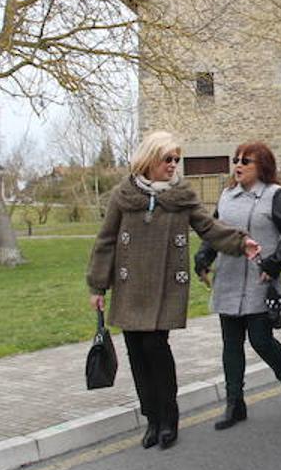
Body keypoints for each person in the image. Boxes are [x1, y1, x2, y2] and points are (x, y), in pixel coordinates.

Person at [87, 131, 258, 450]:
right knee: (137, 353)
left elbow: (208, 227)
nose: (173, 165)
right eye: (168, 159)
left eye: (177, 160)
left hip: (165, 287)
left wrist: (239, 241)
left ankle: (169, 418)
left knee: (156, 349)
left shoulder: (181, 196)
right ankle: (151, 419)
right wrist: (97, 285)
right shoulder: (123, 195)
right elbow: (106, 240)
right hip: (130, 286)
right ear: (150, 160)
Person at [194, 141, 281, 429]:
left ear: (263, 166)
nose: (238, 165)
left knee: (261, 341)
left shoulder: (275, 196)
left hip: (260, 280)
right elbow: (214, 233)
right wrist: (203, 257)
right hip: (229, 280)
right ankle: (235, 404)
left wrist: (274, 263)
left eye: (246, 161)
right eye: (236, 160)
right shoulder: (227, 196)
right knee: (231, 344)